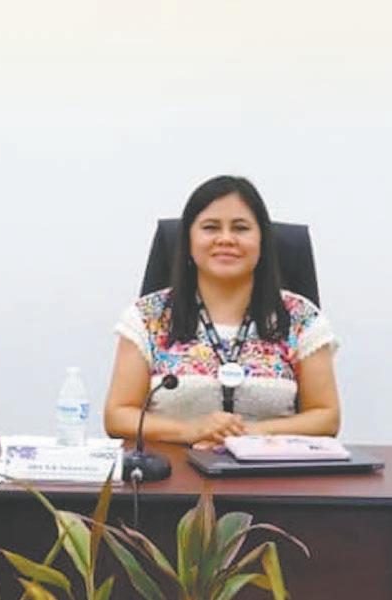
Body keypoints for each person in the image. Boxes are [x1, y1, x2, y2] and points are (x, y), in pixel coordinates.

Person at [104, 175, 340, 448]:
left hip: (269, 470)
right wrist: (190, 430)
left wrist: (248, 433)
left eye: (240, 228)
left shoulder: (301, 318)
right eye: (210, 228)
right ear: (188, 241)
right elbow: (118, 416)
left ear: (262, 241)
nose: (226, 239)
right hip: (170, 471)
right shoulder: (149, 317)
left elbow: (326, 417)